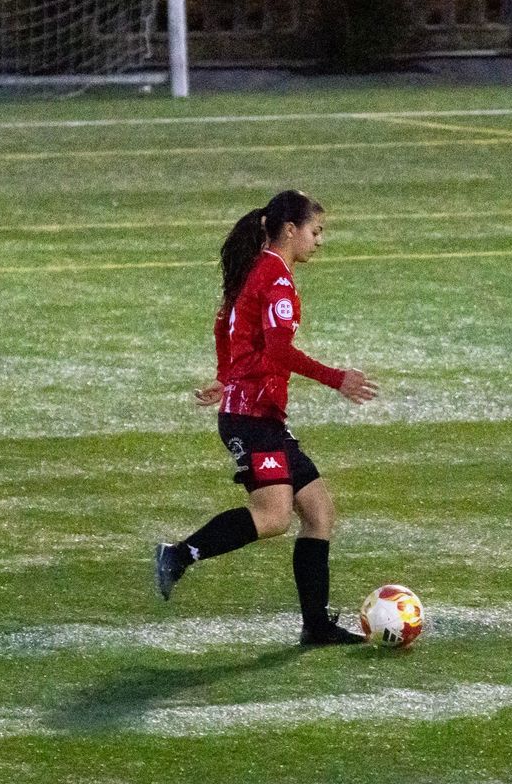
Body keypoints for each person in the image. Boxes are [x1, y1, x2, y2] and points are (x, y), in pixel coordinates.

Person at [154, 190, 379, 646]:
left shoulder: (256, 271)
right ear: (291, 230)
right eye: (316, 231)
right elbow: (276, 349)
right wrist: (337, 379)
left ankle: (315, 626)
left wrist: (227, 376)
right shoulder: (275, 279)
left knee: (318, 509)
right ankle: (178, 554)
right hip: (252, 418)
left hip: (260, 414)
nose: (320, 241)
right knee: (274, 516)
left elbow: (225, 323)